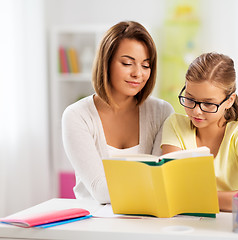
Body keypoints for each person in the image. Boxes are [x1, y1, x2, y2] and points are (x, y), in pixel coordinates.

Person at [62, 21, 174, 204]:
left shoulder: (161, 112)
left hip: (148, 220)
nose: (138, 73)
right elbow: (100, 191)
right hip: (93, 223)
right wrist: (151, 184)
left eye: (146, 65)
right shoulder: (76, 116)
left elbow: (160, 181)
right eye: (127, 63)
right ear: (106, 63)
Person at [161, 52, 238, 212]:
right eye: (190, 99)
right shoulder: (174, 125)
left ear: (229, 100)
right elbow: (172, 191)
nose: (196, 111)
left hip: (236, 225)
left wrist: (195, 198)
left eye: (208, 104)